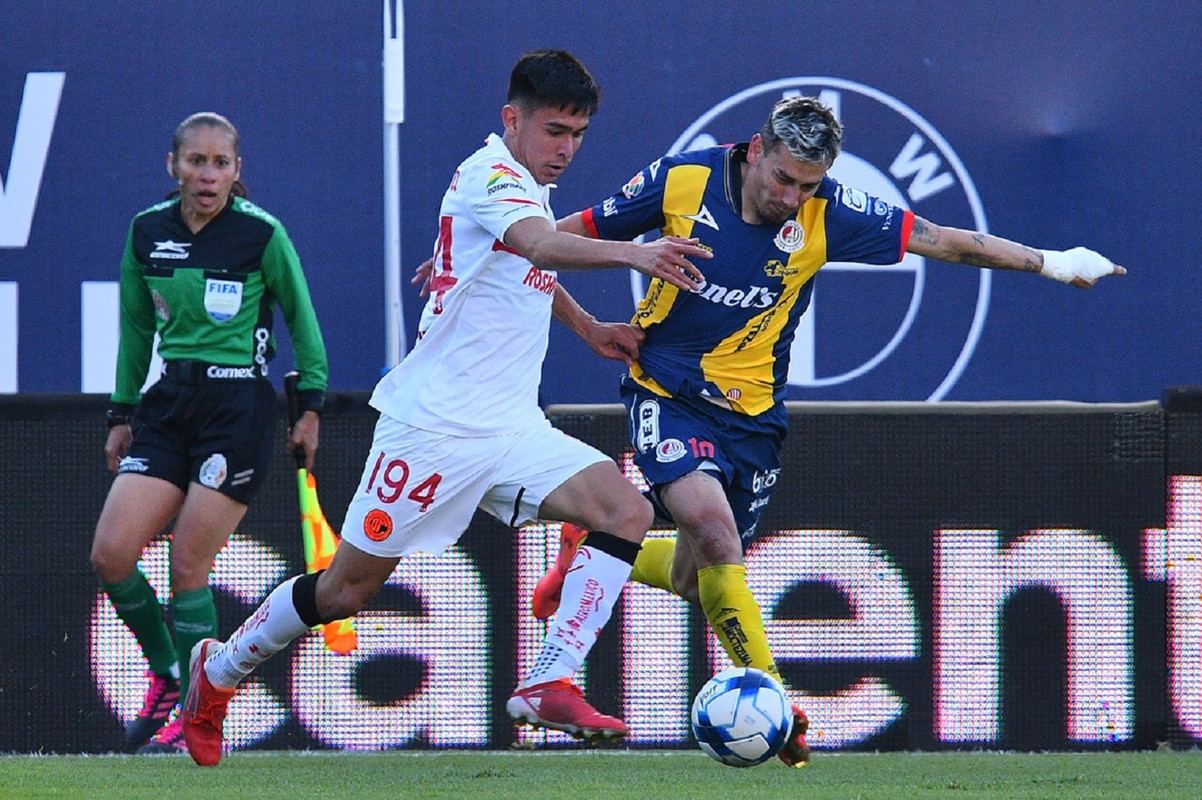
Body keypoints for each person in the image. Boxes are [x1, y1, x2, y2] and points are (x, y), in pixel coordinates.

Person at [528, 95, 1126, 767]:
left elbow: (945, 241)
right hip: (666, 390)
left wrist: (1053, 261)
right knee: (714, 531)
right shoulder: (681, 181)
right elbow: (556, 240)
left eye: (807, 186)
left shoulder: (831, 212)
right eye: (784, 179)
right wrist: (502, 274)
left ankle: (597, 546)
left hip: (753, 420)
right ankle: (777, 707)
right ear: (755, 152)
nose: (792, 197)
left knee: (702, 580)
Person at [179, 49, 711, 767]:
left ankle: (549, 679)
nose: (567, 148)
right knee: (344, 591)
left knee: (628, 511)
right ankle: (218, 670)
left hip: (512, 428)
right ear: (511, 119)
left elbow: (528, 266)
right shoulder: (489, 173)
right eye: (555, 130)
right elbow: (535, 244)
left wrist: (591, 330)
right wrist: (635, 254)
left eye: (578, 135)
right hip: (430, 431)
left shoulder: (527, 183)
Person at [89, 112, 329, 755]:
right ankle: (171, 675)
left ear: (236, 172)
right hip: (169, 406)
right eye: (196, 161)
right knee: (111, 554)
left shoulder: (261, 234)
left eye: (221, 163)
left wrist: (308, 408)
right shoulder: (147, 231)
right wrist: (120, 413)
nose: (208, 175)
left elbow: (304, 326)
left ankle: (199, 708)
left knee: (189, 560)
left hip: (238, 408)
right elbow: (137, 331)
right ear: (173, 166)